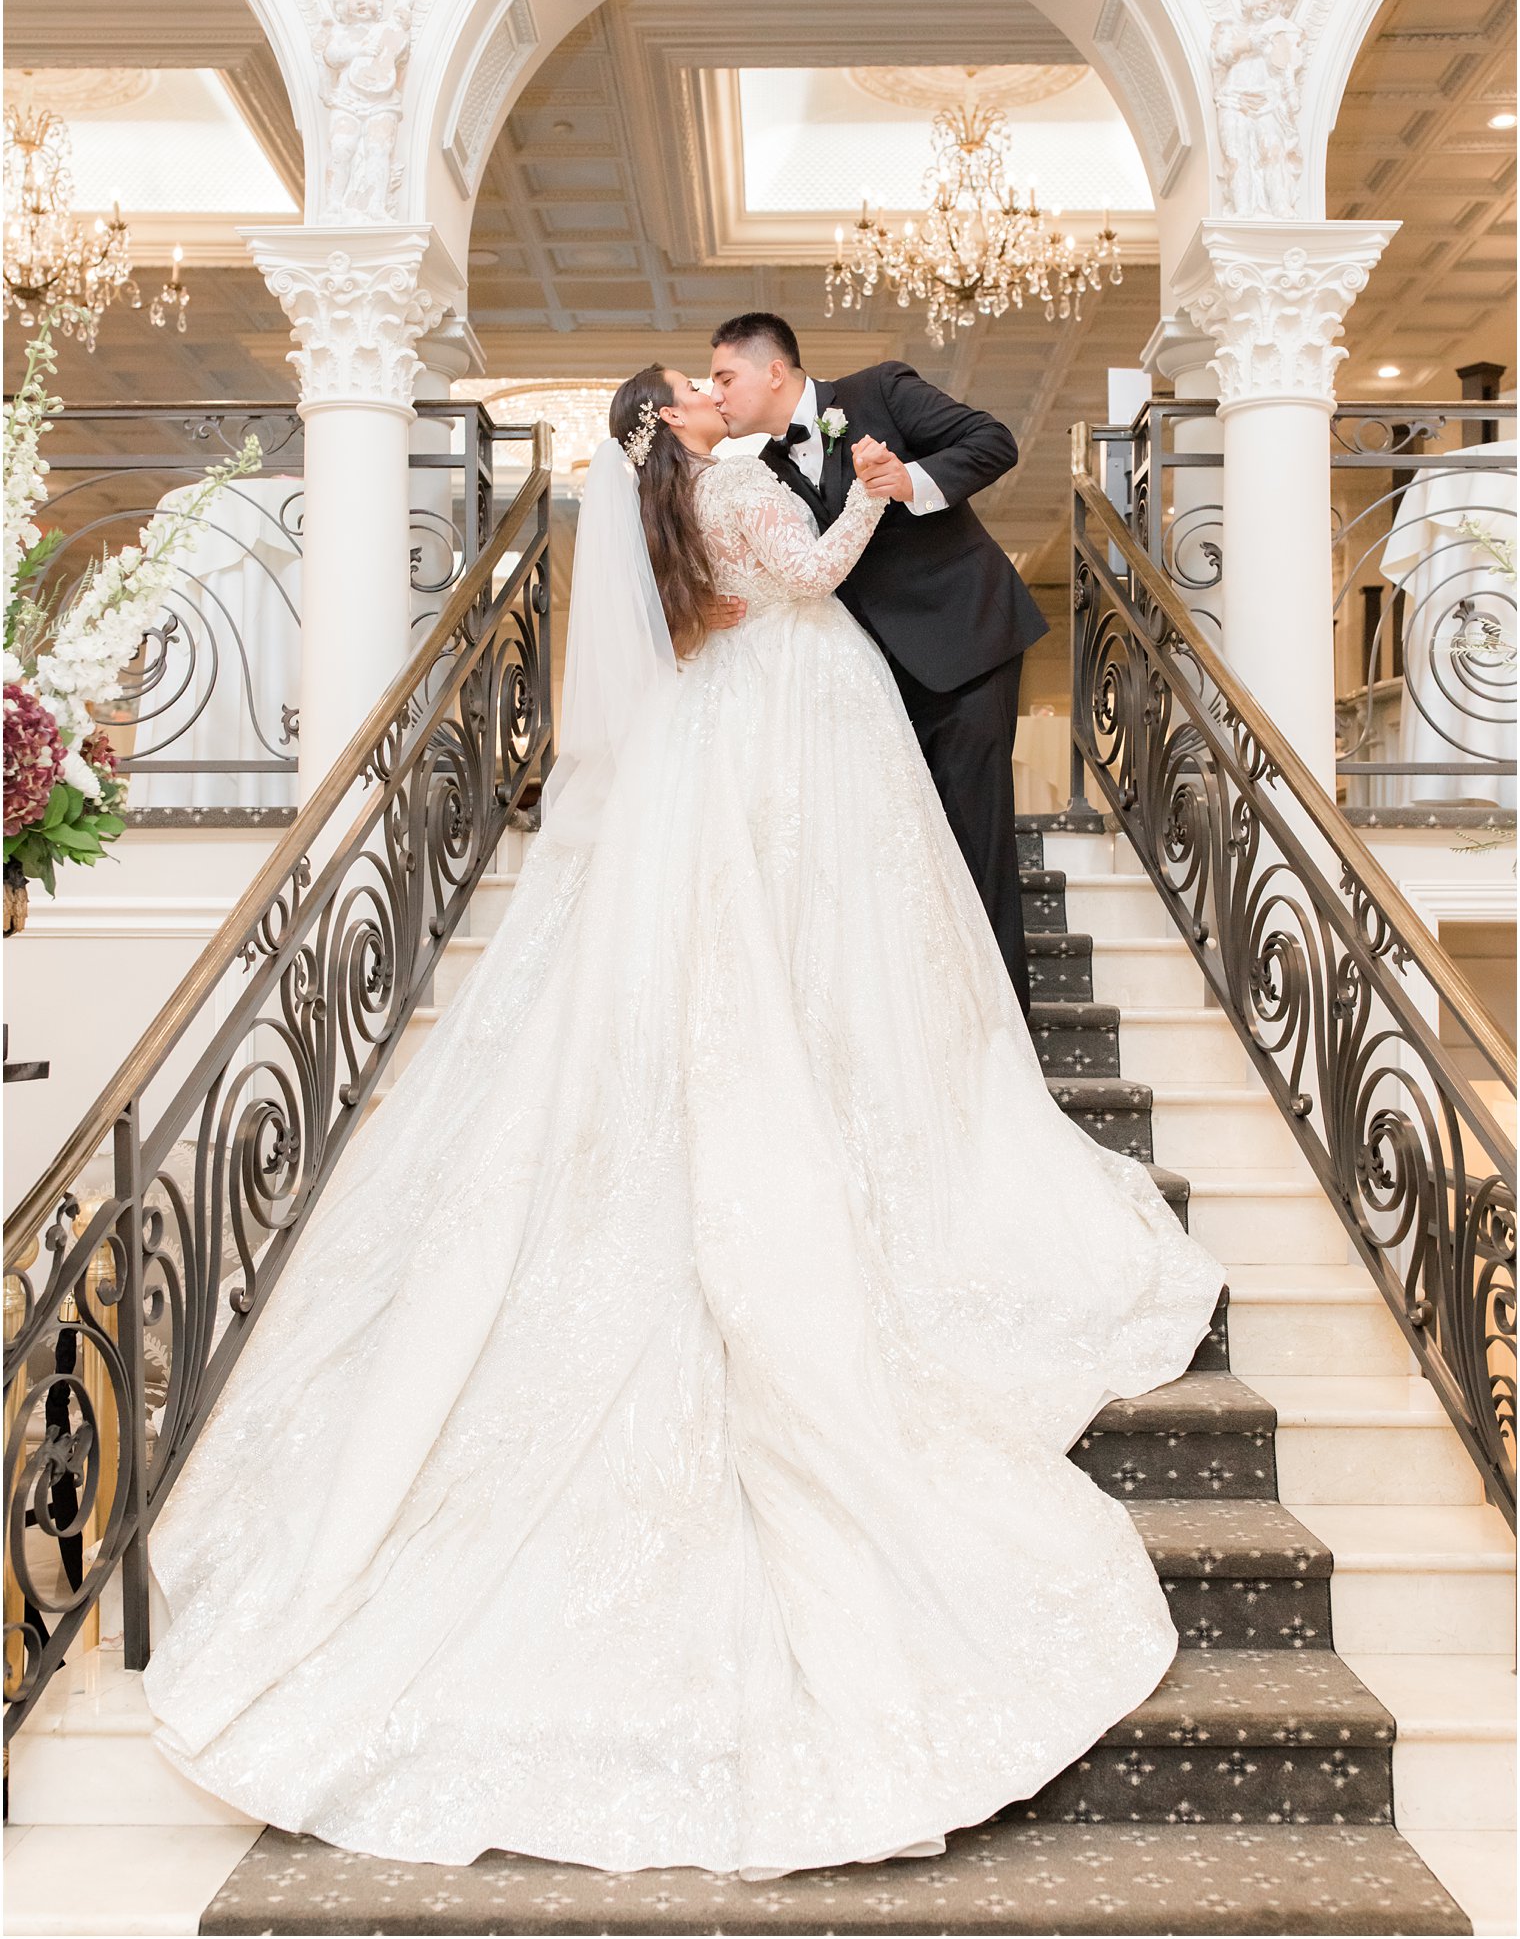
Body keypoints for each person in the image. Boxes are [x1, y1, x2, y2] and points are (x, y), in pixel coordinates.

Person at [142, 365, 1223, 1879]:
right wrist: (855, 490)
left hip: (722, 744)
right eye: (702, 387)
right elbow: (819, 570)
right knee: (769, 975)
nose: (720, 389)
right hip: (779, 709)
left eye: (727, 374)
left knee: (716, 964)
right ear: (684, 424)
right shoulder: (725, 483)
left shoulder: (669, 500)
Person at [709, 313, 1047, 1012]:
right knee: (912, 862)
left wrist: (909, 479)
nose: (716, 394)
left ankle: (1009, 1045)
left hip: (966, 645)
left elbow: (994, 442)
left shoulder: (878, 391)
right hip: (871, 683)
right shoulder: (760, 473)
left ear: (774, 370)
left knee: (977, 850)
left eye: (724, 376)